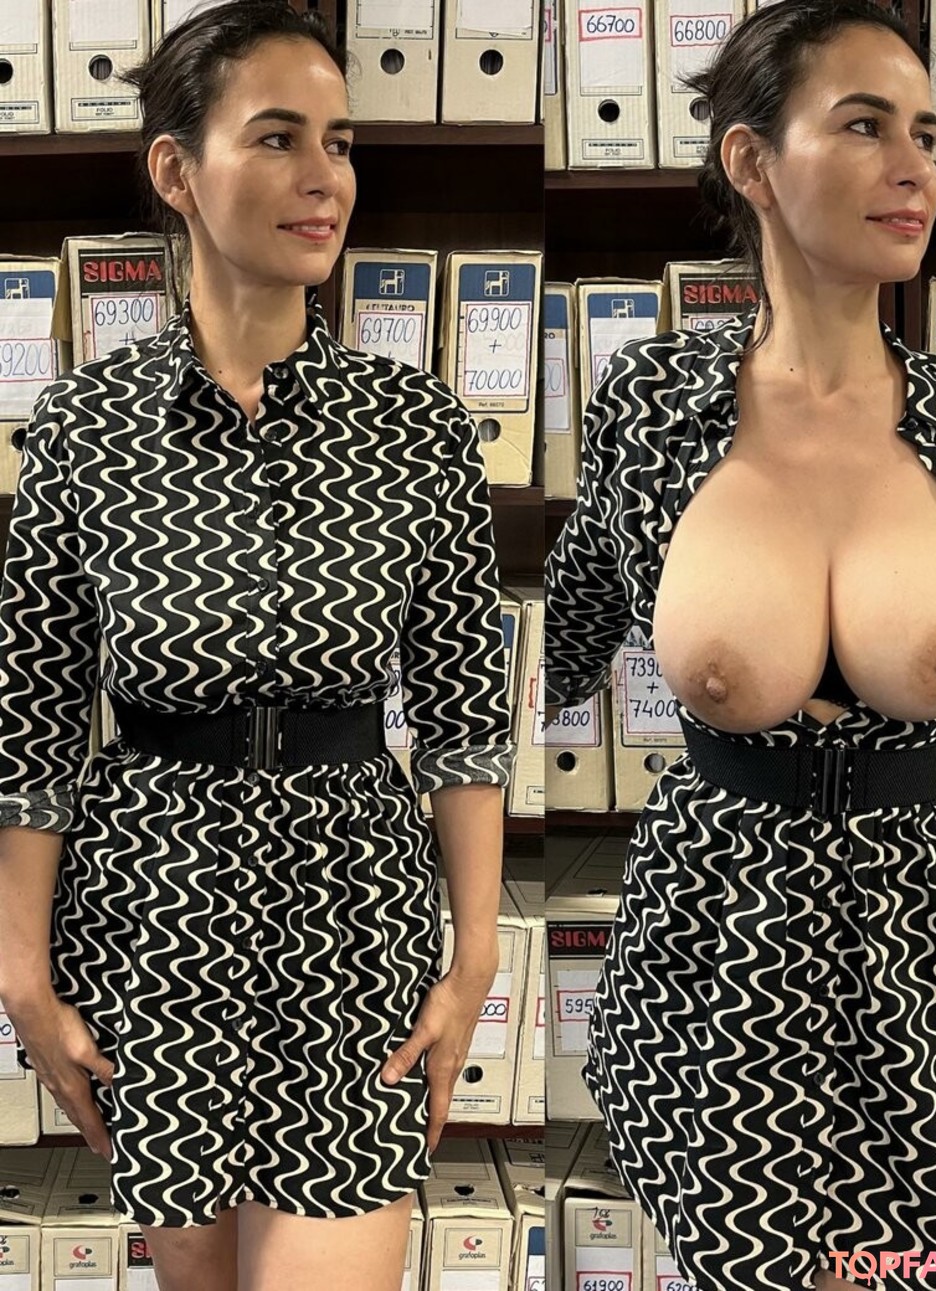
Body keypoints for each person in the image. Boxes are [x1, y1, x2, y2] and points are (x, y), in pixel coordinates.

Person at [544, 2, 936, 1290]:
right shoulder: (653, 406)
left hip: (933, 934)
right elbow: (547, 649)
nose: (914, 168)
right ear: (752, 161)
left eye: (925, 135)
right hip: (721, 929)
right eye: (863, 126)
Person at [0, 3, 513, 1289]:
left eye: (339, 142)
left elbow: (465, 715)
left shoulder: (416, 426)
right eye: (278, 138)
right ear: (177, 172)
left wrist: (475, 956)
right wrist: (21, 972)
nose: (324, 176)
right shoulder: (85, 427)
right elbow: (34, 726)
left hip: (355, 909)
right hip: (151, 908)